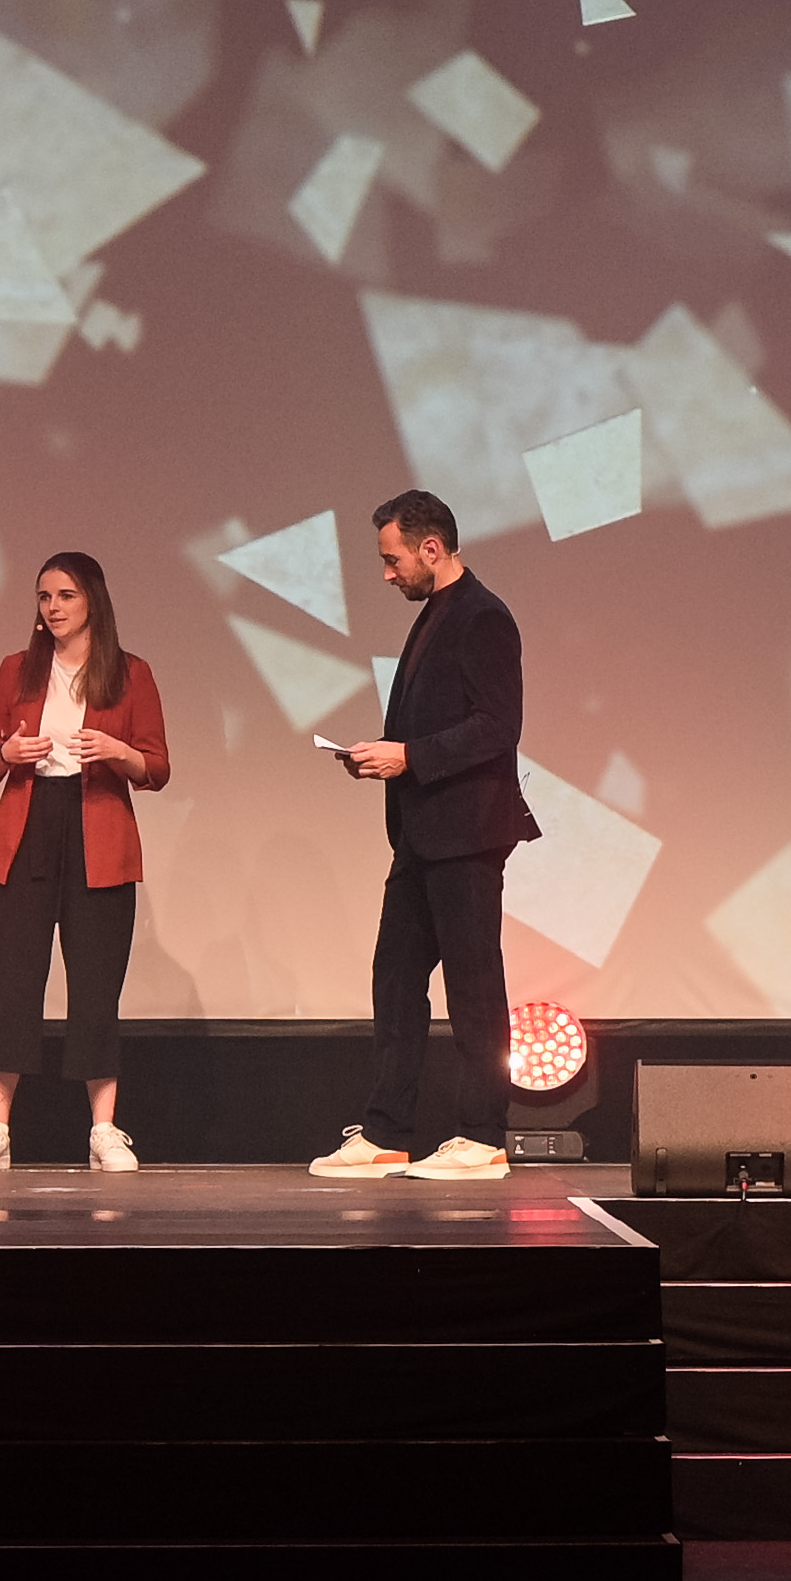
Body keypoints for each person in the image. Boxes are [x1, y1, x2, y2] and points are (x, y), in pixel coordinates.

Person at [312, 491, 538, 1183]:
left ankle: (482, 1135)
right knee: (396, 977)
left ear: (430, 548)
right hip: (421, 832)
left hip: (466, 831)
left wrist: (408, 756)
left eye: (392, 558)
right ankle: (386, 1132)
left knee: (473, 984)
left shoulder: (484, 616)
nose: (387, 573)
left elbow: (499, 727)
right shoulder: (437, 615)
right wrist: (383, 753)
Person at [0, 551, 173, 1173]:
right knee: (10, 981)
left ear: (93, 604)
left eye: (66, 597)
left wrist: (117, 750)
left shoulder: (131, 674)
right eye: (44, 597)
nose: (52, 608)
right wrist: (10, 750)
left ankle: (103, 1130)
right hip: (27, 827)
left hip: (99, 832)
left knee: (96, 987)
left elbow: (157, 769)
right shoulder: (16, 670)